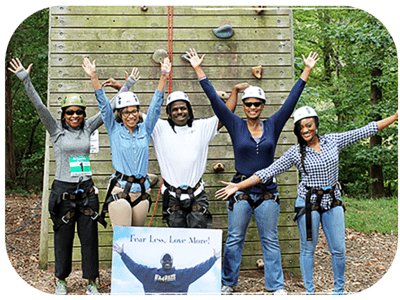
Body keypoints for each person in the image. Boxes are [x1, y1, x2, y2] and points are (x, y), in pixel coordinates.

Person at [215, 106, 399, 295]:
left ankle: (339, 291)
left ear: (316, 124)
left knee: (338, 249)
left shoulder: (333, 141)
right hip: (308, 202)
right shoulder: (295, 152)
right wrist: (239, 185)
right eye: (301, 127)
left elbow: (366, 130)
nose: (305, 130)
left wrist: (394, 116)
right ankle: (309, 292)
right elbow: (268, 171)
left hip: (332, 200)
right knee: (308, 250)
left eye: (309, 125)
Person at [185, 48, 320, 295]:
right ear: (244, 106)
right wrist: (198, 69)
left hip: (267, 191)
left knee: (269, 240)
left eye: (257, 104)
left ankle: (276, 286)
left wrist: (307, 70)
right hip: (241, 191)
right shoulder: (235, 124)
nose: (252, 107)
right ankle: (228, 283)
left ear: (262, 105)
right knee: (235, 238)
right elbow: (215, 100)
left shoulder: (273, 125)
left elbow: (291, 102)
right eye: (248, 104)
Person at [8, 57, 139, 295]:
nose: (75, 116)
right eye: (70, 112)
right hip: (63, 193)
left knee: (89, 238)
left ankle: (91, 281)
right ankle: (61, 280)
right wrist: (26, 80)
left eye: (78, 112)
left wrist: (127, 85)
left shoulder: (88, 127)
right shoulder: (56, 130)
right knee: (63, 238)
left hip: (87, 192)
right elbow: (40, 107)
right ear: (64, 114)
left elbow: (107, 110)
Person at [104, 67, 248, 228]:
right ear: (168, 114)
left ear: (190, 110)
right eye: (175, 109)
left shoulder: (202, 127)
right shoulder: (158, 126)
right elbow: (132, 112)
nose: (179, 112)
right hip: (172, 196)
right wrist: (121, 89)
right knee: (176, 242)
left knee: (198, 241)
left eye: (183, 108)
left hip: (197, 194)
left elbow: (226, 114)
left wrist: (234, 91)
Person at [82, 57, 171, 227]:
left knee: (136, 241)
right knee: (123, 240)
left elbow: (155, 105)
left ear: (138, 112)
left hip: (142, 191)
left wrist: (164, 77)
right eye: (126, 112)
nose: (130, 115)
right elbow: (103, 105)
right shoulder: (114, 129)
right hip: (121, 189)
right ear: (120, 115)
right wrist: (94, 77)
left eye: (134, 111)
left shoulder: (145, 129)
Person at [113, 243, 221, 295]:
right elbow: (134, 267)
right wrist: (123, 254)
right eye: (165, 260)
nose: (167, 262)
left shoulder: (182, 275)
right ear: (161, 262)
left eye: (169, 260)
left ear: (172, 262)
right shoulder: (150, 274)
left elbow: (198, 269)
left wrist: (214, 258)